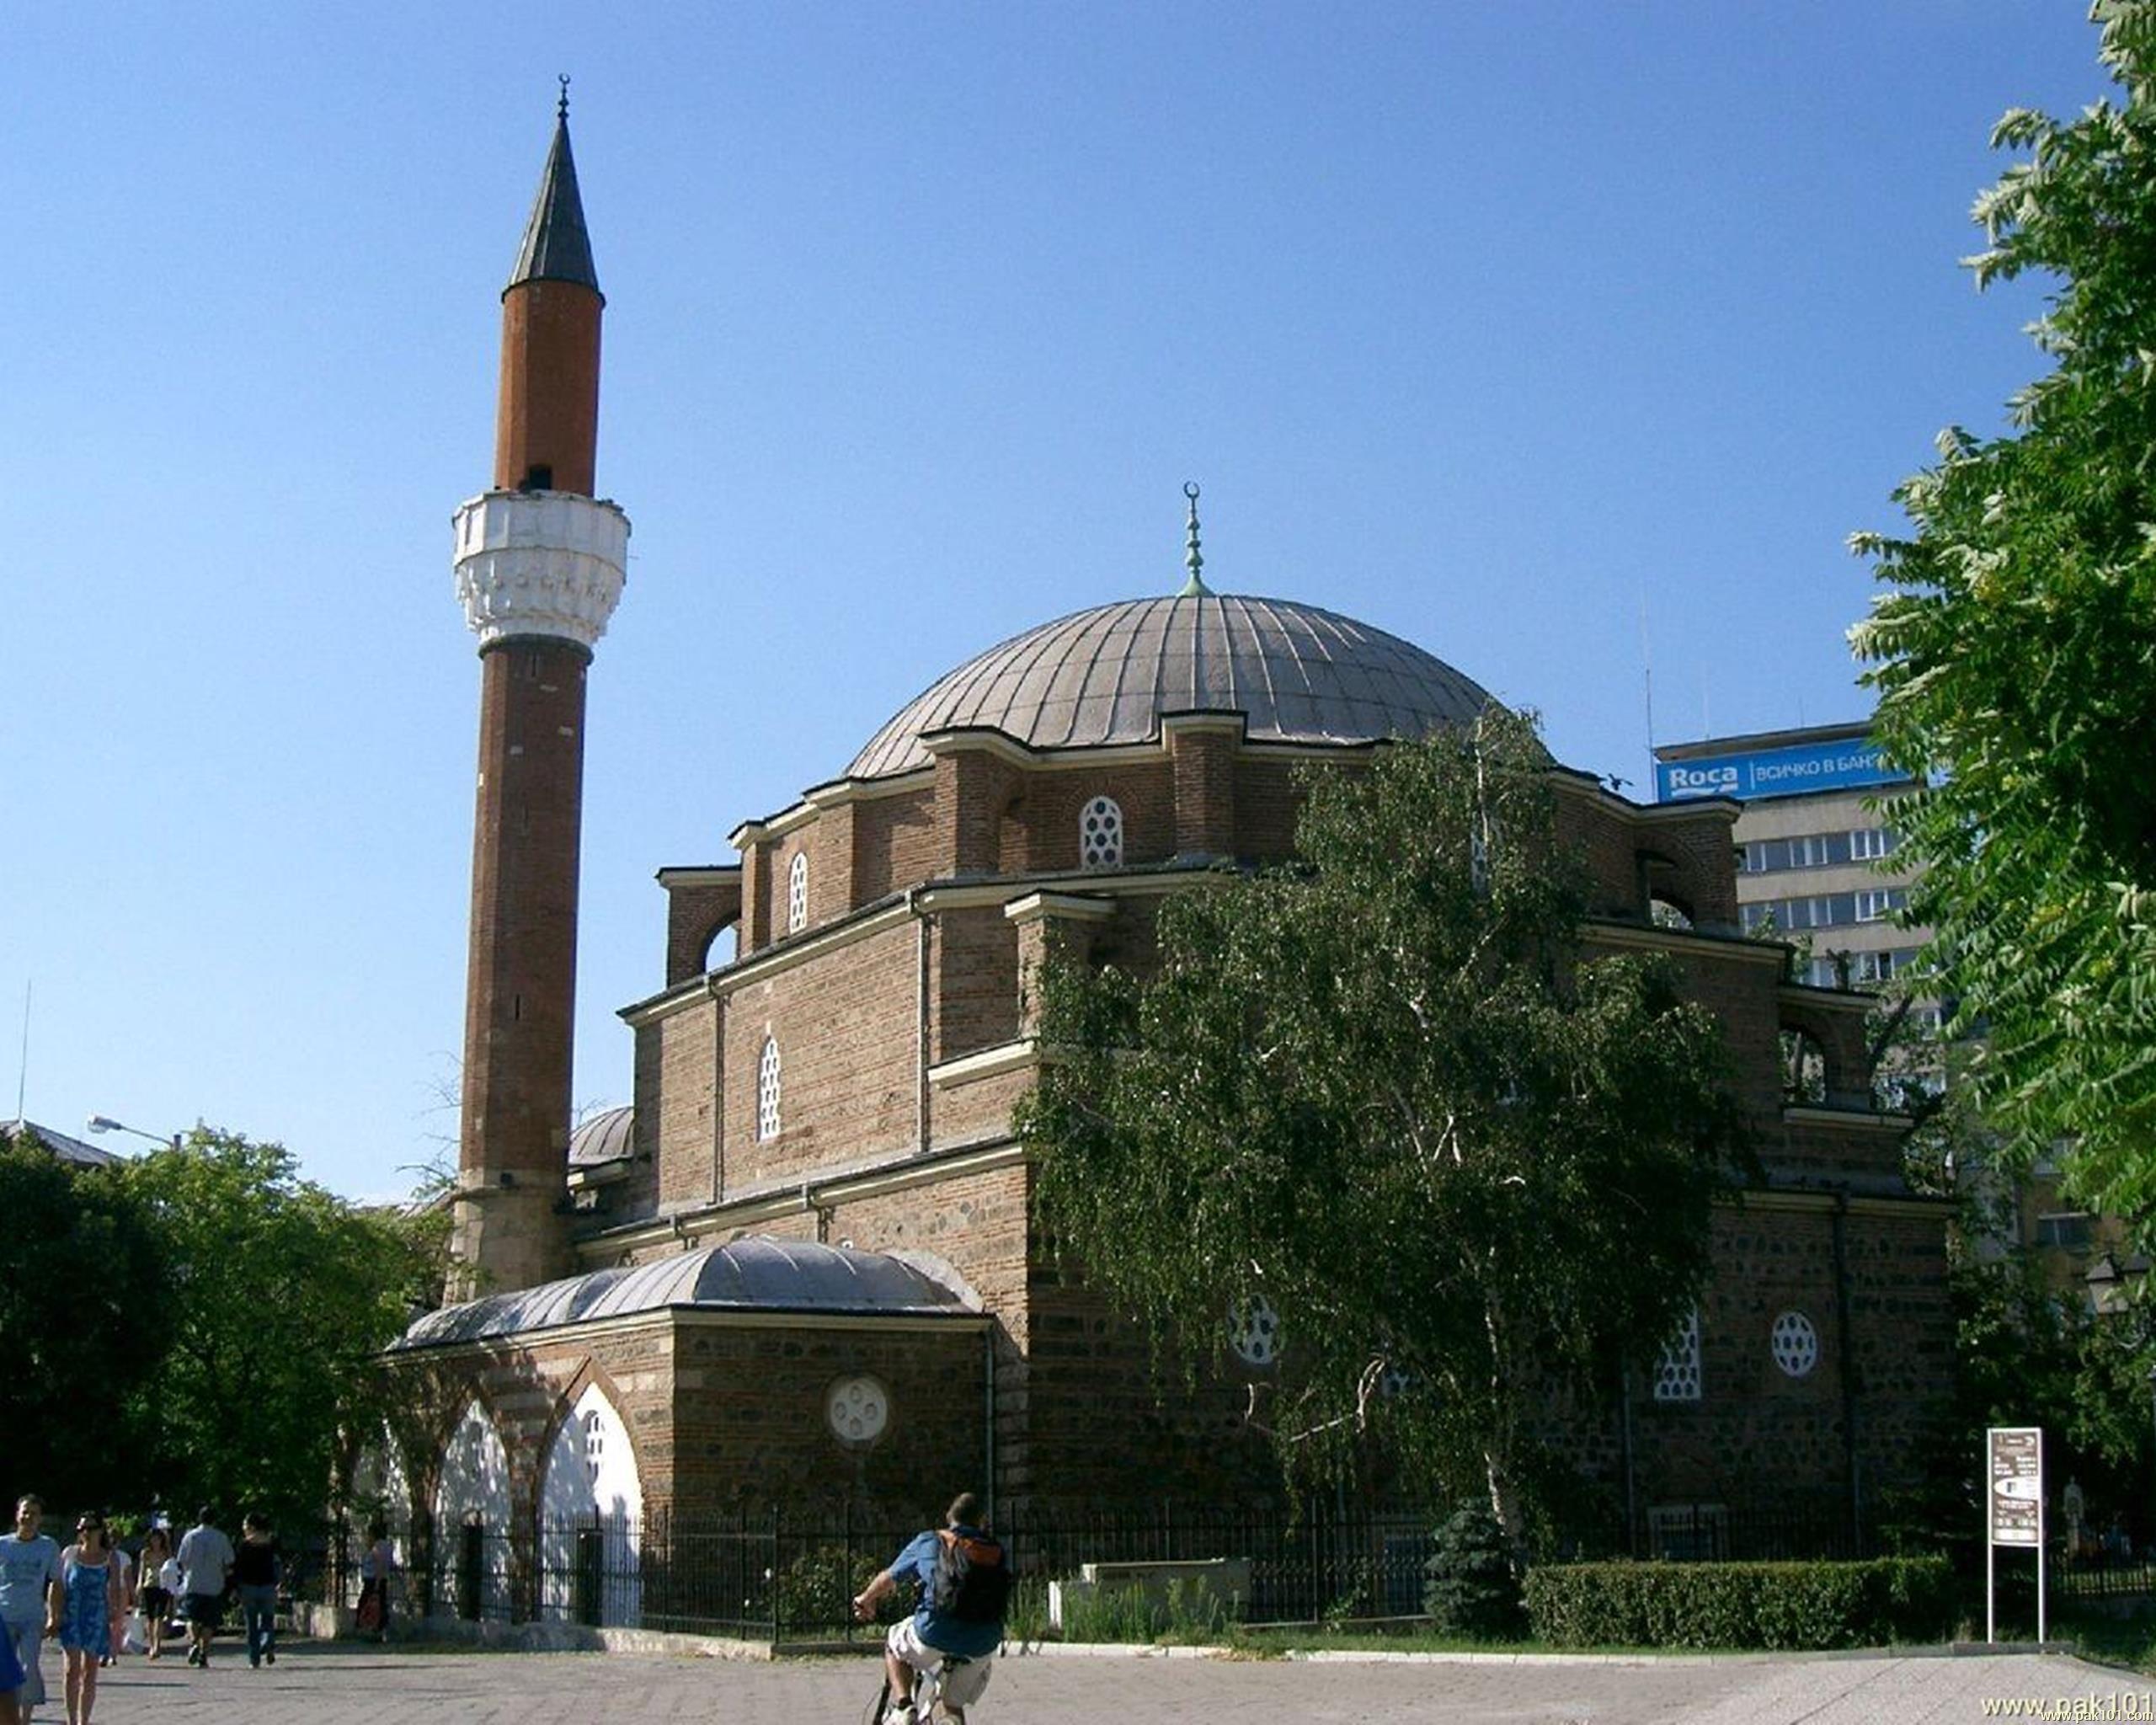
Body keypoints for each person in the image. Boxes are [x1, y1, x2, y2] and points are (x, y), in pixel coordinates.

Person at [851, 1493, 1010, 1725]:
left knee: (895, 1644)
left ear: (949, 1517)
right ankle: (952, 1717)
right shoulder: (996, 1551)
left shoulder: (930, 1541)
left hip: (935, 1629)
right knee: (952, 1704)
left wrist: (865, 1599)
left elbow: (889, 1577)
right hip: (984, 1640)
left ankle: (904, 1706)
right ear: (982, 1521)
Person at [56, 1514, 124, 1725]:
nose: (85, 1532)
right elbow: (58, 1584)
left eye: (90, 1528)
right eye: (82, 1528)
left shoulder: (110, 1557)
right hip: (72, 1615)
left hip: (95, 1615)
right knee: (71, 1669)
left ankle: (84, 1720)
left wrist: (115, 1614)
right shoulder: (69, 1554)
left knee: (90, 1670)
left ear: (100, 1531)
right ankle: (71, 1718)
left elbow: (114, 1589)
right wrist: (54, 1613)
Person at [0, 1497, 62, 1725]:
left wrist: (54, 1615)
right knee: (3, 1672)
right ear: (17, 1514)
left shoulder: (48, 1546)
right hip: (4, 1614)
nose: (28, 1518)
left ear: (40, 1519)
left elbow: (55, 1582)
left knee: (29, 1667)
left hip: (31, 1616)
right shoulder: (3, 1544)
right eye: (25, 1512)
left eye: (34, 1514)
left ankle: (23, 1718)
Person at [175, 1507, 233, 1670]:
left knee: (191, 1617)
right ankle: (203, 1654)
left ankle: (193, 1641)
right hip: (214, 1585)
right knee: (209, 1622)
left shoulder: (190, 1536)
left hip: (193, 1583)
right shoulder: (222, 1538)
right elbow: (228, 1562)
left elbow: (182, 1560)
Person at [232, 1514, 281, 1669]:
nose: (244, 1528)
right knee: (268, 1619)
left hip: (248, 1587)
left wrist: (235, 1588)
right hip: (268, 1586)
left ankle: (254, 1659)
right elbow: (278, 1563)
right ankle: (267, 1640)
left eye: (245, 1525)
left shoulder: (243, 1545)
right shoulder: (272, 1542)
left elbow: (237, 1568)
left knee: (251, 1624)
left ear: (252, 1526)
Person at [134, 1530, 174, 1663]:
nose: (155, 1542)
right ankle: (151, 1644)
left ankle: (157, 1645)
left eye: (158, 1539)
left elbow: (171, 1570)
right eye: (153, 1539)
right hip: (149, 1585)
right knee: (151, 1617)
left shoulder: (166, 1553)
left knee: (159, 1616)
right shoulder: (145, 1553)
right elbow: (142, 1570)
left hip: (162, 1585)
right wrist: (139, 1584)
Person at [355, 1520, 398, 1645]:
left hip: (373, 1580)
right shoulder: (387, 1546)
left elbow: (380, 1565)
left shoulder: (377, 1547)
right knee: (381, 1605)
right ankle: (379, 1630)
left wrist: (377, 1583)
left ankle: (368, 1628)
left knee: (365, 1604)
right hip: (381, 1579)